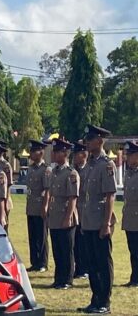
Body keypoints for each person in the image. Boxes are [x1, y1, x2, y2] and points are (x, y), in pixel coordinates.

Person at [77, 124, 117, 314]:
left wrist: (106, 223)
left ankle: (104, 302)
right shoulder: (90, 165)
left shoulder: (106, 165)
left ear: (100, 141)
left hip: (100, 221)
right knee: (91, 263)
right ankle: (95, 298)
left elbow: (110, 196)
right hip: (89, 220)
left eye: (90, 139)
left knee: (103, 262)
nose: (87, 142)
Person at [49, 138, 79, 290]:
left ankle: (67, 279)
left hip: (65, 216)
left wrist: (68, 217)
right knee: (57, 249)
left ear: (65, 153)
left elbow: (72, 197)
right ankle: (58, 278)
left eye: (56, 151)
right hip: (54, 216)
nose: (53, 154)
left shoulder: (71, 173)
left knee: (67, 250)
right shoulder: (54, 172)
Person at [25, 139, 52, 273]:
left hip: (40, 206)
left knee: (41, 236)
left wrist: (45, 206)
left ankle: (42, 262)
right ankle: (34, 261)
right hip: (31, 206)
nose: (31, 154)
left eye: (34, 151)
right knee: (33, 235)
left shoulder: (45, 169)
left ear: (41, 152)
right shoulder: (31, 169)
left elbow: (47, 189)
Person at [72, 141, 90, 279]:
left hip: (85, 210)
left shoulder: (88, 170)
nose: (74, 157)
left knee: (84, 242)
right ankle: (78, 267)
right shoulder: (74, 170)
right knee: (76, 241)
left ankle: (84, 268)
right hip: (75, 210)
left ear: (84, 155)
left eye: (77, 154)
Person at [122, 140, 138, 288]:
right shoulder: (129, 173)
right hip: (130, 219)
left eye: (130, 155)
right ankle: (135, 277)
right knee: (133, 250)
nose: (127, 157)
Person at [0, 137, 14, 230]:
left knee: (3, 225)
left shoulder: (5, 165)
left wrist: (6, 201)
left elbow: (8, 184)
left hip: (4, 198)